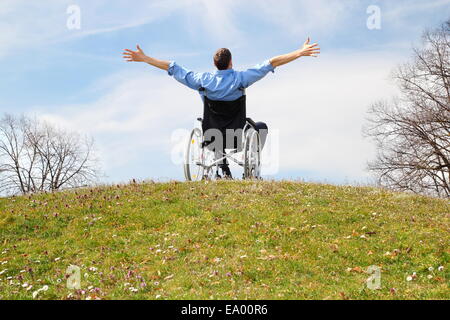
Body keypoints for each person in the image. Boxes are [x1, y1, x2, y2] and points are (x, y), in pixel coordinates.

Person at [123, 38, 320, 178]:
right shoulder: (240, 79)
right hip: (238, 135)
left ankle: (222, 166)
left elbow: (173, 68)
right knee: (261, 126)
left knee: (208, 126)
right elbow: (271, 63)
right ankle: (248, 170)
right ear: (231, 62)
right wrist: (299, 52)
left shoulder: (203, 81)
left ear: (214, 64)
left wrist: (145, 58)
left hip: (212, 134)